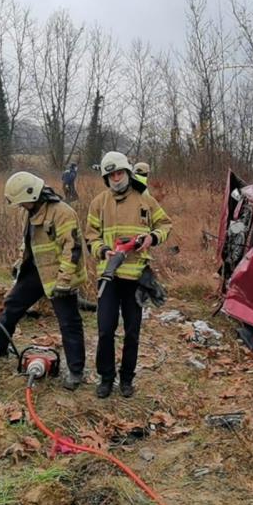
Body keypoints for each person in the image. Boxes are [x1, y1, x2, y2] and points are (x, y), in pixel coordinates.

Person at [85, 152, 172, 399]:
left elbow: (165, 225)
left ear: (127, 172)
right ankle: (106, 378)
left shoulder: (146, 201)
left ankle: (126, 379)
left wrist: (151, 238)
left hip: (135, 279)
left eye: (119, 173)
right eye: (110, 174)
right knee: (105, 329)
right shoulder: (98, 203)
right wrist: (102, 250)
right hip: (109, 277)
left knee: (132, 331)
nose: (116, 178)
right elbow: (90, 236)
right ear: (106, 178)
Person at [0, 172, 87, 390]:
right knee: (11, 306)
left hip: (61, 274)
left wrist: (63, 282)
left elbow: (72, 249)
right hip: (36, 272)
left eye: (21, 202)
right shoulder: (32, 212)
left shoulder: (63, 213)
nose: (20, 206)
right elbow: (28, 244)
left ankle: (76, 371)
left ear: (32, 195)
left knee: (69, 323)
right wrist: (19, 263)